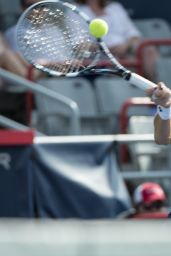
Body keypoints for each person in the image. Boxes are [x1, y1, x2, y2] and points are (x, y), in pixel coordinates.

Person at [74, 0, 159, 80]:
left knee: (148, 50)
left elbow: (134, 35)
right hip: (102, 59)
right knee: (127, 62)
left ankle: (160, 88)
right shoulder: (75, 11)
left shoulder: (116, 7)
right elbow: (79, 46)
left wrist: (126, 47)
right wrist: (107, 49)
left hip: (127, 51)